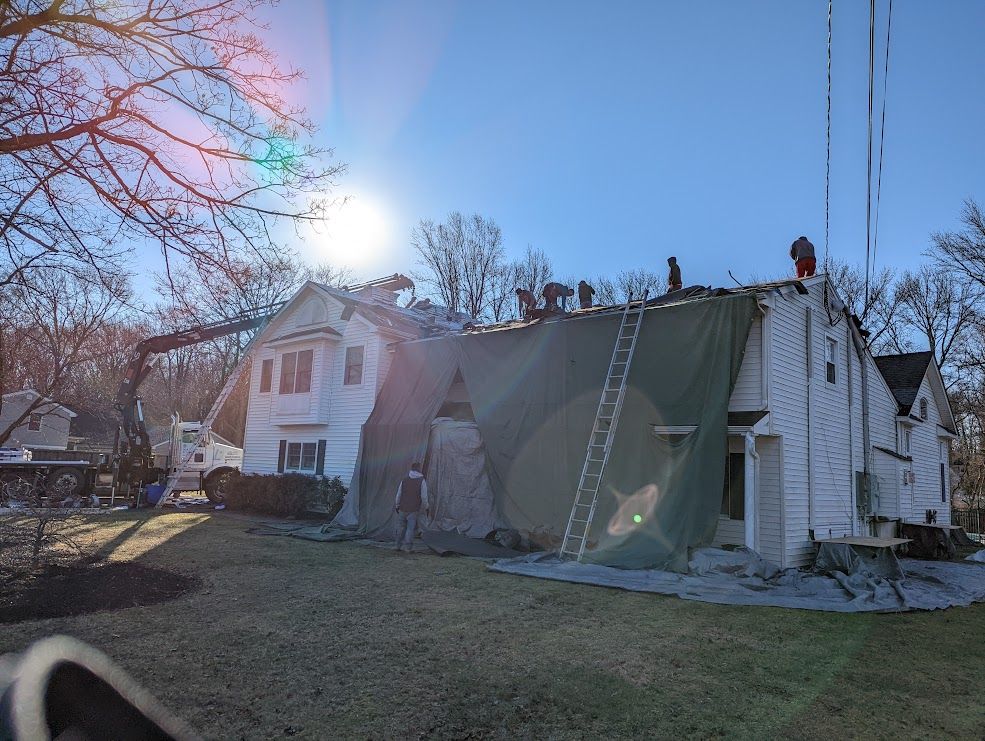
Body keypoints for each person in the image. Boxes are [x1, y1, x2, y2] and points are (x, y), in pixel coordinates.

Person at [394, 462, 429, 552]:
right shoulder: (422, 481)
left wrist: (397, 505)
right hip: (413, 509)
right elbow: (424, 497)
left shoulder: (404, 480)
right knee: (410, 528)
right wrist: (426, 507)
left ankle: (397, 546)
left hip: (402, 507)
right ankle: (408, 548)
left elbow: (399, 494)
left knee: (401, 527)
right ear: (419, 469)